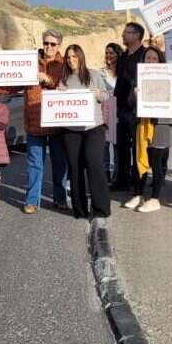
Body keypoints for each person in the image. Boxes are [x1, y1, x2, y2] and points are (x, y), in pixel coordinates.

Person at [124, 47, 172, 213]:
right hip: (142, 123)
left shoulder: (169, 78)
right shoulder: (138, 78)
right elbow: (130, 103)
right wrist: (135, 95)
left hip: (161, 124)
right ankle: (138, 194)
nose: (151, 61)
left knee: (156, 161)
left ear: (160, 61)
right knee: (139, 159)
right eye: (148, 58)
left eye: (154, 58)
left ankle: (155, 199)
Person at [17, 30, 66, 214]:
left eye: (53, 44)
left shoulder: (64, 64)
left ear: (58, 45)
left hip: (57, 123)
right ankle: (31, 201)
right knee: (34, 163)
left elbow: (69, 87)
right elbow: (12, 84)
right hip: (34, 122)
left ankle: (60, 198)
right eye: (46, 43)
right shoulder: (29, 62)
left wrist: (49, 80)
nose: (49, 47)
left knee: (59, 163)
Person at [60, 44, 111, 218]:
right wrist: (59, 94)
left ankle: (101, 208)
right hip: (70, 130)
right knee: (75, 168)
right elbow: (58, 103)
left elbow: (106, 96)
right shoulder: (64, 79)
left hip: (93, 128)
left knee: (93, 164)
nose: (71, 60)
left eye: (74, 56)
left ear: (81, 57)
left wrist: (98, 94)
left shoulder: (94, 75)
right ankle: (80, 209)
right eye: (68, 57)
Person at [113, 22, 147, 191]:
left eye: (126, 32)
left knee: (138, 147)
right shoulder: (124, 56)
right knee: (121, 147)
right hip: (121, 109)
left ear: (136, 35)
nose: (122, 35)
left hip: (137, 110)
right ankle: (122, 180)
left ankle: (138, 181)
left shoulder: (145, 55)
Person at [99, 43, 123, 184]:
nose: (108, 56)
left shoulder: (123, 72)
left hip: (119, 113)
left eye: (111, 53)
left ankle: (118, 175)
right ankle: (104, 175)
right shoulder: (100, 73)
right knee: (104, 146)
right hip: (105, 112)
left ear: (118, 55)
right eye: (107, 53)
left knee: (118, 146)